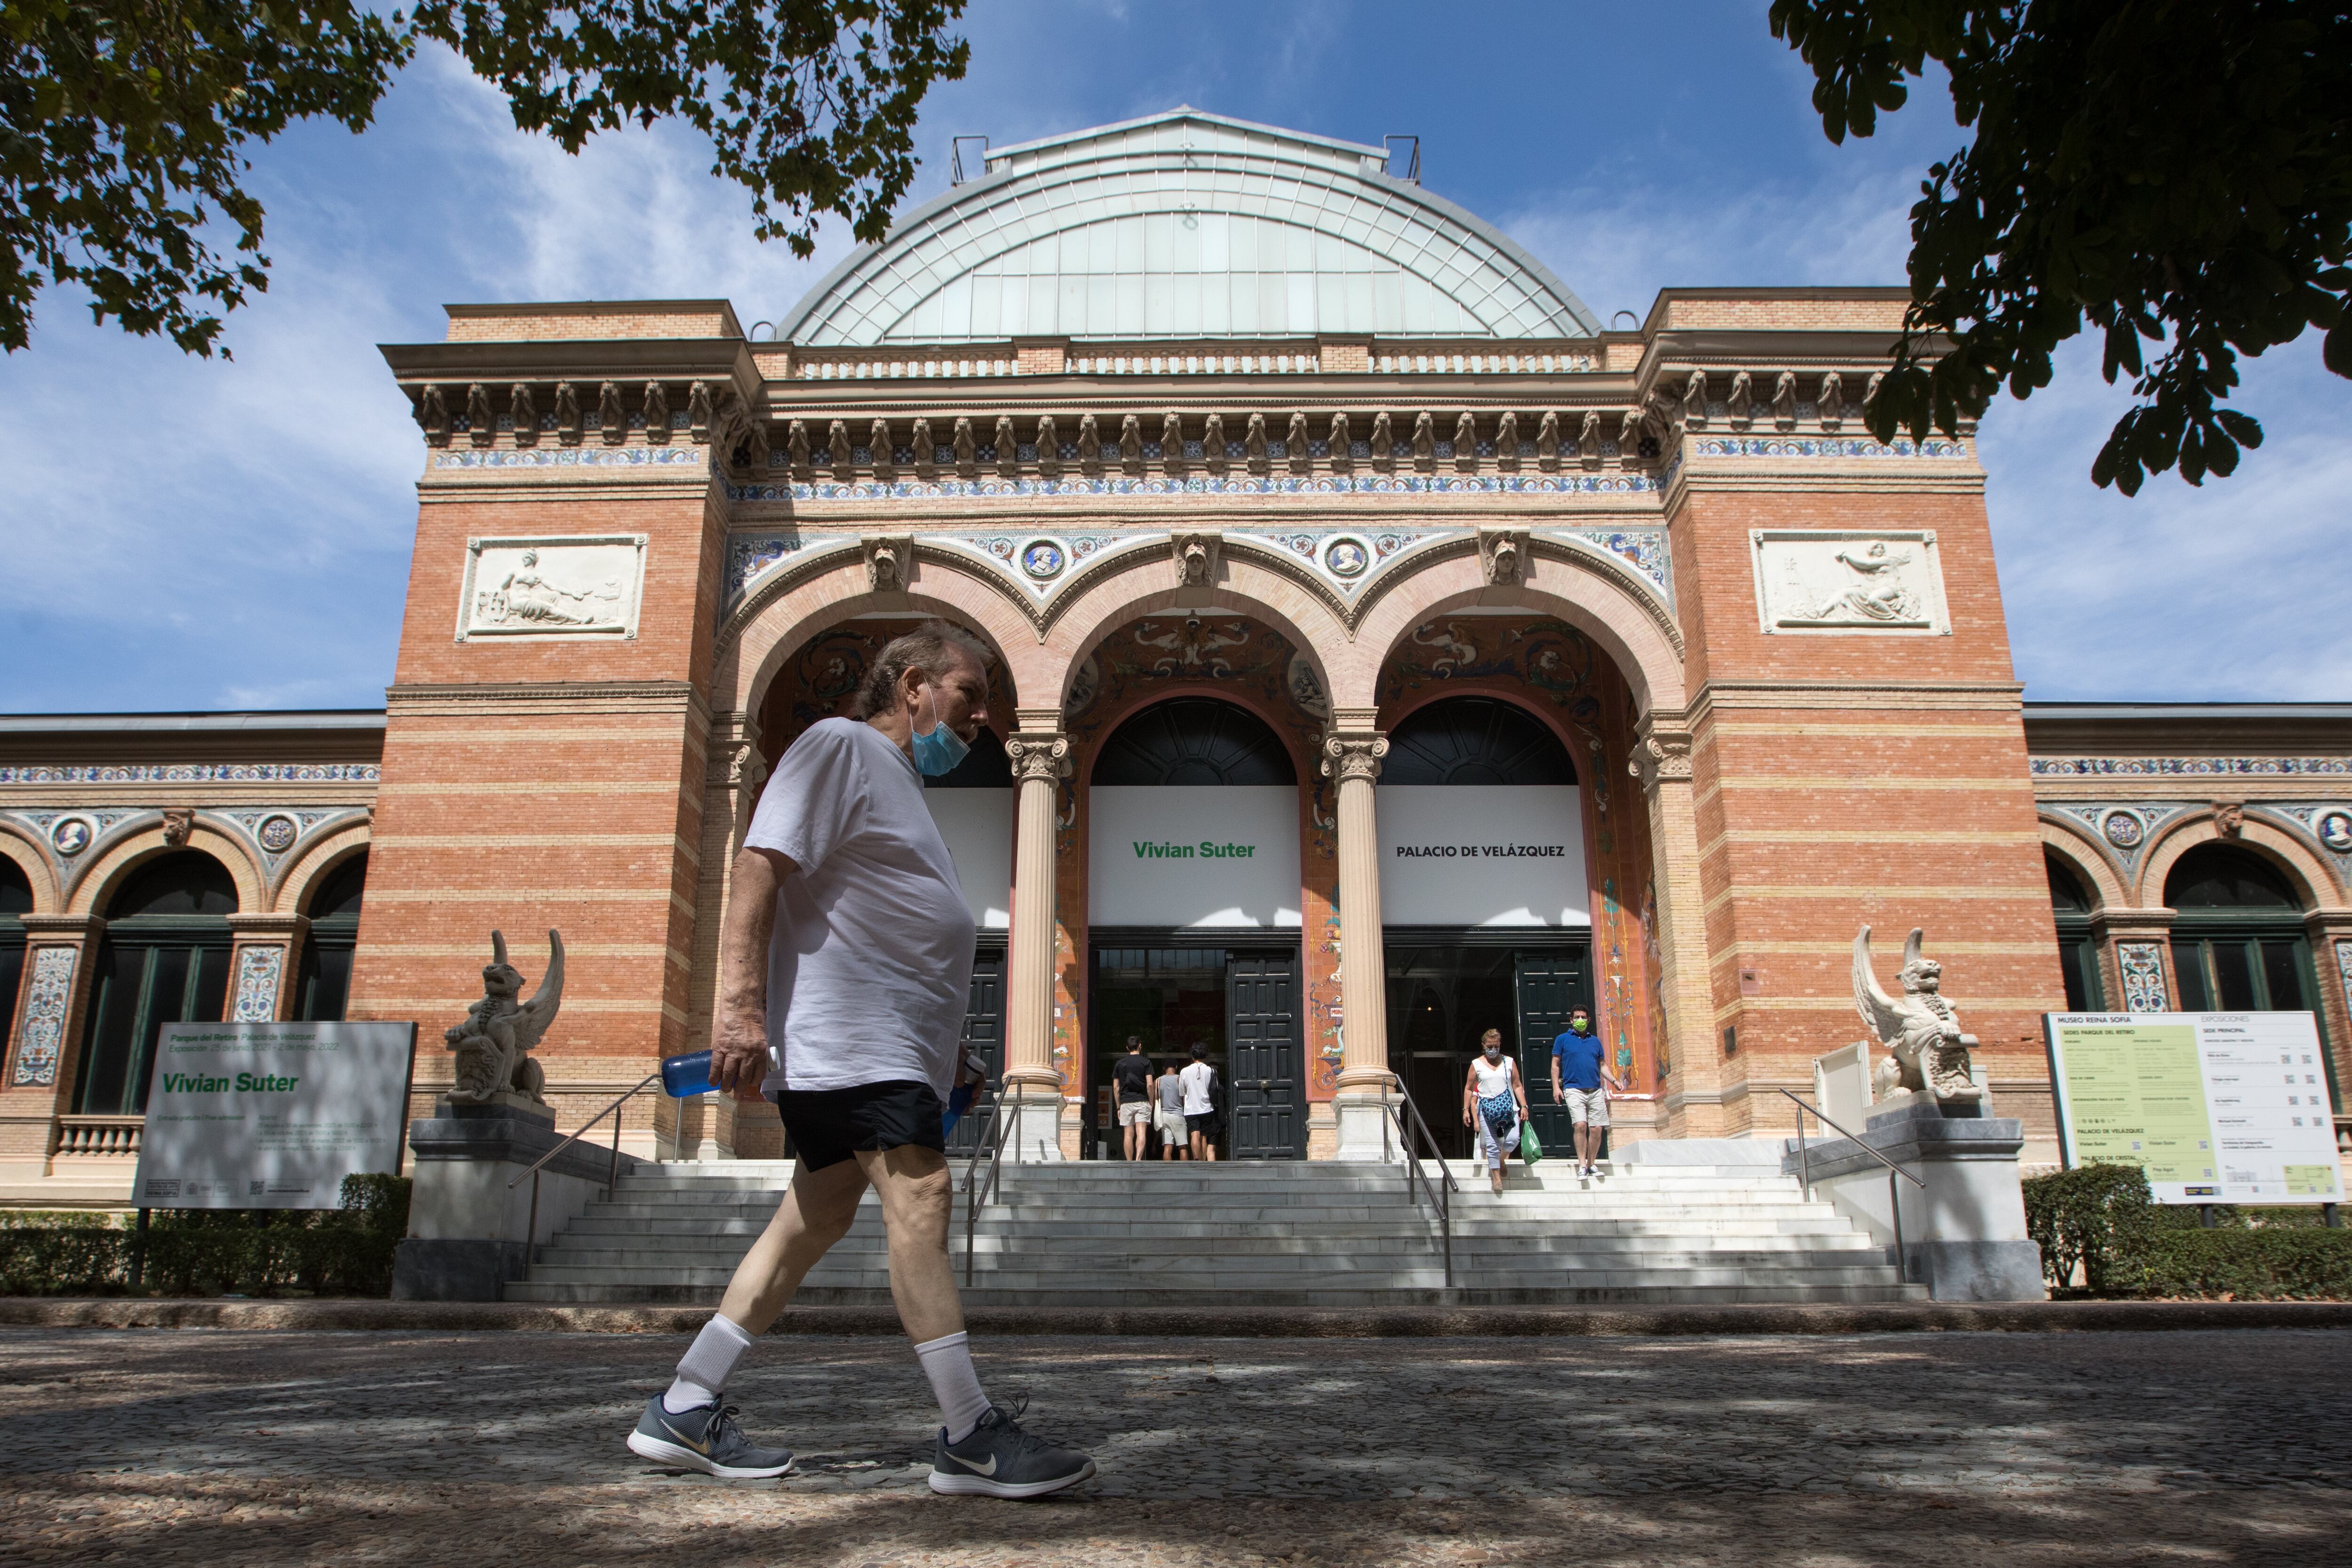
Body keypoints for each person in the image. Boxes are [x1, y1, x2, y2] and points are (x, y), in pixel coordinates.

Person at [625, 621, 1096, 1498]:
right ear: (914, 684)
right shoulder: (838, 743)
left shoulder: (898, 782)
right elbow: (761, 866)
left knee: (816, 1214)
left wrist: (950, 1051)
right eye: (970, 695)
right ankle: (969, 1432)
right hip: (853, 1040)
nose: (984, 718)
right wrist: (738, 1008)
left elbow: (884, 919)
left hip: (888, 1046)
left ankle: (686, 1402)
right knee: (921, 1190)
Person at [1550, 1007, 1625, 1179]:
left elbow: (1602, 1065)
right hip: (1574, 1089)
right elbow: (1555, 1065)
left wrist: (1614, 1081)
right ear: (1571, 1020)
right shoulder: (1563, 1040)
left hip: (1595, 1089)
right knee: (1580, 1125)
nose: (1580, 1020)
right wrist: (1556, 1087)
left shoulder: (1595, 1042)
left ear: (1589, 1019)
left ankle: (1592, 1164)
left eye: (1583, 1017)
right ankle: (1582, 1165)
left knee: (1597, 1128)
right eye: (1577, 1017)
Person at [1461, 1028, 1529, 1195]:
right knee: (1492, 1145)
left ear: (1500, 1045)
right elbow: (1469, 1088)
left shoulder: (1509, 1062)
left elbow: (1517, 1085)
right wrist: (1466, 1110)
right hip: (1487, 1110)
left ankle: (1501, 1159)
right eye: (1489, 1046)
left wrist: (1524, 1106)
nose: (1493, 1049)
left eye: (1496, 1046)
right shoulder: (1476, 1064)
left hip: (1509, 1108)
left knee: (1513, 1140)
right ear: (1484, 1046)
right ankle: (1497, 1178)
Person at [1112, 1035, 1154, 1160]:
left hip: (1126, 1102)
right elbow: (1150, 1084)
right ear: (1140, 1046)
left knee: (1128, 1134)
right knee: (1141, 1131)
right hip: (1142, 1101)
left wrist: (1118, 1106)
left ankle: (1129, 1162)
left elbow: (1116, 1088)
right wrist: (1151, 1102)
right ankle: (1138, 1160)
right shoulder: (1146, 1062)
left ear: (1127, 1048)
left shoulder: (1120, 1064)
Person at [1179, 1044, 1219, 1162]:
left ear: (1192, 1056)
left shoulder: (1184, 1071)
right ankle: (1203, 1161)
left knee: (1194, 1134)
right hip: (1207, 1108)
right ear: (1205, 1056)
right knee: (1204, 1136)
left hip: (1191, 1108)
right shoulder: (1211, 1071)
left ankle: (1196, 1158)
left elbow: (1182, 1091)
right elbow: (1215, 1089)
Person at [1154, 1054, 1189, 1159]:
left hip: (1164, 1116)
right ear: (1177, 1067)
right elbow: (1185, 1099)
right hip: (1178, 1115)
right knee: (1182, 1147)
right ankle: (1186, 1172)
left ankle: (1167, 1172)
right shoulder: (1180, 1080)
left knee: (1168, 1146)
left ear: (1164, 1068)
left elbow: (1156, 1099)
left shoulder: (1158, 1081)